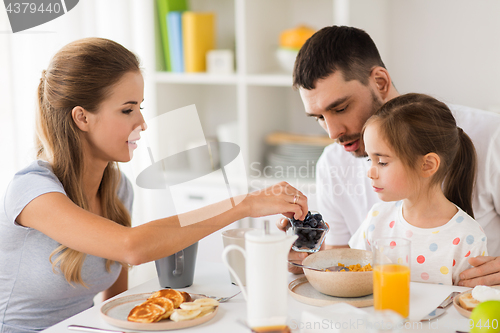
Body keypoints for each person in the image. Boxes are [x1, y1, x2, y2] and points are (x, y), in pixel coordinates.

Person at [0, 37, 308, 333]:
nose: (142, 122)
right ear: (82, 117)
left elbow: (116, 305)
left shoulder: (117, 189)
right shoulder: (32, 191)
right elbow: (131, 247)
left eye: (140, 108)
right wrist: (246, 204)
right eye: (127, 109)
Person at [280, 25, 500, 286]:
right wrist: (306, 257)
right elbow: (346, 263)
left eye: (340, 108)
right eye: (319, 118)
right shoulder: (332, 163)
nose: (332, 132)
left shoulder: (490, 135)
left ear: (380, 82)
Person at [348, 93, 487, 285]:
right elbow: (353, 278)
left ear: (428, 165)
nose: (370, 173)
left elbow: (469, 306)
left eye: (382, 162)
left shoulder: (467, 238)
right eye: (368, 160)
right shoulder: (376, 220)